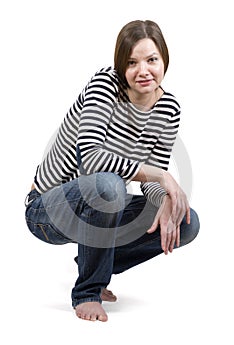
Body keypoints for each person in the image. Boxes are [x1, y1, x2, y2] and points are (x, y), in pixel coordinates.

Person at [25, 19, 200, 322]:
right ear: (121, 65)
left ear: (164, 60)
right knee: (109, 185)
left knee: (186, 221)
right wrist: (161, 176)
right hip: (48, 209)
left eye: (151, 60)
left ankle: (94, 262)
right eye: (132, 62)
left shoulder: (168, 108)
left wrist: (166, 199)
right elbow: (92, 160)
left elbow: (153, 176)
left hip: (101, 206)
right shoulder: (105, 85)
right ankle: (88, 291)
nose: (143, 70)